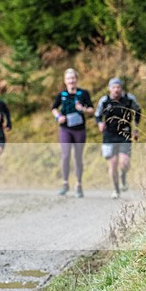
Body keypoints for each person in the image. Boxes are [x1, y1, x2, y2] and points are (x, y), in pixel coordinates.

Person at [51, 68, 94, 198]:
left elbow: (92, 110)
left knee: (78, 156)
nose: (71, 81)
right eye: (69, 78)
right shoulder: (61, 95)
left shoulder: (83, 93)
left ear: (77, 79)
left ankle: (79, 185)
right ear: (65, 81)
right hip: (65, 128)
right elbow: (54, 108)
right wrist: (58, 117)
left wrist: (83, 109)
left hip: (79, 129)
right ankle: (65, 183)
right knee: (65, 155)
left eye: (73, 78)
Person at [95, 77, 141, 199]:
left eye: (118, 87)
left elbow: (138, 111)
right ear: (110, 89)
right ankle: (116, 190)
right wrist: (100, 123)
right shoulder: (104, 101)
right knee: (113, 164)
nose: (116, 90)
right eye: (114, 87)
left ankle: (123, 176)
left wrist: (136, 129)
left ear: (122, 89)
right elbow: (97, 115)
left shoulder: (129, 99)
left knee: (125, 163)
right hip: (109, 135)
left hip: (124, 134)